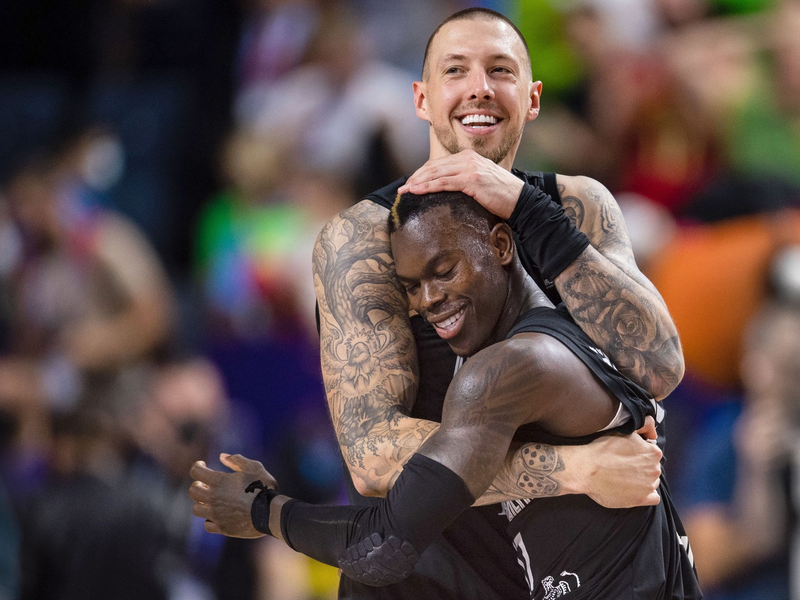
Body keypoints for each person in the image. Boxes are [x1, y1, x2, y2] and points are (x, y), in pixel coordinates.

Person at [191, 7, 684, 600]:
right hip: (425, 570)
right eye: (457, 69)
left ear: (531, 98)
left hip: (562, 576)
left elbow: (658, 366)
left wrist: (529, 210)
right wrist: (574, 472)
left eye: (500, 69)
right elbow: (374, 456)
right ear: (422, 99)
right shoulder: (362, 240)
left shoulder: (575, 206)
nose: (480, 86)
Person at [190, 190, 700, 599]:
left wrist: (264, 512)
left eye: (445, 270)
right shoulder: (582, 330)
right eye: (412, 287)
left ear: (502, 247)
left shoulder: (503, 372)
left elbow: (383, 546)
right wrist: (578, 472)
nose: (429, 302)